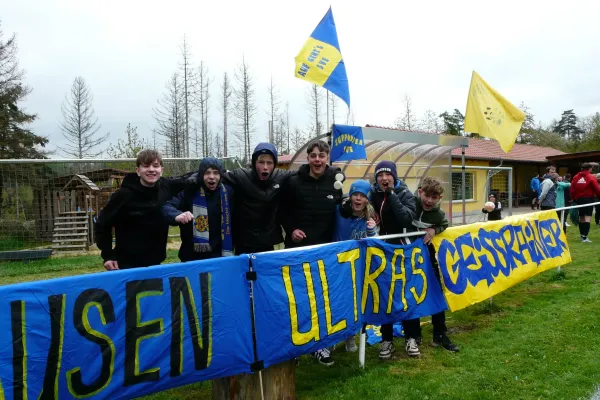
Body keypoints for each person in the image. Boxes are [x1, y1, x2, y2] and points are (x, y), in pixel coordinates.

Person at [280, 139, 343, 366]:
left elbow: (340, 211)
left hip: (324, 251)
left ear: (327, 158)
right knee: (296, 298)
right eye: (313, 155)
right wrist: (291, 229)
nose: (317, 160)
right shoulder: (293, 182)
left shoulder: (336, 181)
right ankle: (294, 348)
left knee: (321, 298)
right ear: (307, 158)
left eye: (322, 155)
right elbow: (282, 211)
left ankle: (320, 345)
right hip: (297, 250)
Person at [95, 149, 187, 270]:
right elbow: (102, 224)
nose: (151, 169)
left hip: (155, 262)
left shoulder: (165, 187)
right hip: (126, 264)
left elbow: (188, 179)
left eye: (155, 166)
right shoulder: (123, 195)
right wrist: (108, 255)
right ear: (138, 171)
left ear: (161, 170)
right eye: (146, 166)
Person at [370, 160, 418, 359]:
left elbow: (406, 218)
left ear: (394, 176)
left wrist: (391, 195)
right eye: (380, 175)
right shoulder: (372, 194)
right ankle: (386, 339)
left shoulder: (405, 194)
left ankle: (412, 337)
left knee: (407, 293)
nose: (384, 179)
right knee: (385, 294)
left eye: (387, 175)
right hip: (382, 251)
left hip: (403, 250)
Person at [411, 176, 458, 352]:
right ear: (420, 192)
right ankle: (414, 335)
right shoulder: (411, 204)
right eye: (427, 196)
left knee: (436, 293)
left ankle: (440, 334)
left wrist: (434, 229)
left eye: (434, 197)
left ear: (439, 198)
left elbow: (444, 224)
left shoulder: (438, 214)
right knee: (412, 294)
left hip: (428, 257)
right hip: (408, 257)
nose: (429, 201)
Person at [223, 143, 294, 254]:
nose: (265, 167)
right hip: (244, 242)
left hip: (267, 242)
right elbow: (214, 176)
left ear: (274, 164)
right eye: (261, 162)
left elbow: (303, 174)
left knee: (266, 270)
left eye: (269, 163)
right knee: (245, 270)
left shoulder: (281, 176)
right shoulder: (240, 176)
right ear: (254, 162)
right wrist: (195, 178)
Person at [333, 180, 378, 353]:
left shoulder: (369, 218)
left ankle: (350, 337)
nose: (358, 199)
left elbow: (374, 243)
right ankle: (333, 338)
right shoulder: (339, 211)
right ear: (350, 196)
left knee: (354, 303)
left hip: (357, 267)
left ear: (368, 200)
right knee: (337, 302)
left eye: (363, 196)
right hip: (337, 264)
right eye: (355, 194)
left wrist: (372, 231)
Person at [162, 157, 234, 262]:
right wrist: (176, 215)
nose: (212, 177)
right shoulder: (189, 191)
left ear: (221, 175)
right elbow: (166, 206)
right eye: (207, 173)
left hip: (220, 257)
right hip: (192, 257)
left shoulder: (229, 193)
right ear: (200, 175)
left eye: (216, 173)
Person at [570, 163, 600, 242]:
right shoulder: (591, 177)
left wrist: (573, 198)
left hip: (579, 199)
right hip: (588, 199)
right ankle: (585, 237)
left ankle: (582, 236)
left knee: (581, 217)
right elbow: (597, 189)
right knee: (588, 217)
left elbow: (572, 189)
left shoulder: (575, 177)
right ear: (589, 169)